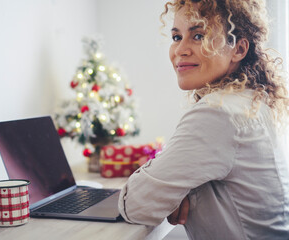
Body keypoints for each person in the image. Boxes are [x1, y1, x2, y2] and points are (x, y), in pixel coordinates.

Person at [118, 0, 289, 239]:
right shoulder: (251, 101)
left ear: (239, 49)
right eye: (177, 37)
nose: (180, 50)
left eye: (199, 36)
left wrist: (171, 192)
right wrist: (179, 191)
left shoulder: (218, 113)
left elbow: (135, 205)